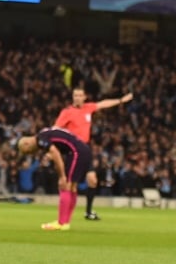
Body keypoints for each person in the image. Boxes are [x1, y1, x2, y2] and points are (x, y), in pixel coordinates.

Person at [54, 87, 133, 220]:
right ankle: (64, 216)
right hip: (72, 149)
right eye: (75, 95)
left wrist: (120, 100)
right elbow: (56, 128)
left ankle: (88, 212)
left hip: (85, 148)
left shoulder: (88, 108)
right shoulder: (67, 112)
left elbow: (103, 103)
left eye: (80, 95)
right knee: (71, 185)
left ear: (85, 97)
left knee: (92, 180)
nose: (77, 98)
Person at [16, 127, 92, 231]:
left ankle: (61, 222)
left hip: (76, 152)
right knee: (73, 187)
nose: (31, 153)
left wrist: (61, 176)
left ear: (26, 144)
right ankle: (65, 223)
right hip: (84, 150)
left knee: (65, 185)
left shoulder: (41, 139)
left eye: (28, 151)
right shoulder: (44, 133)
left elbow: (56, 154)